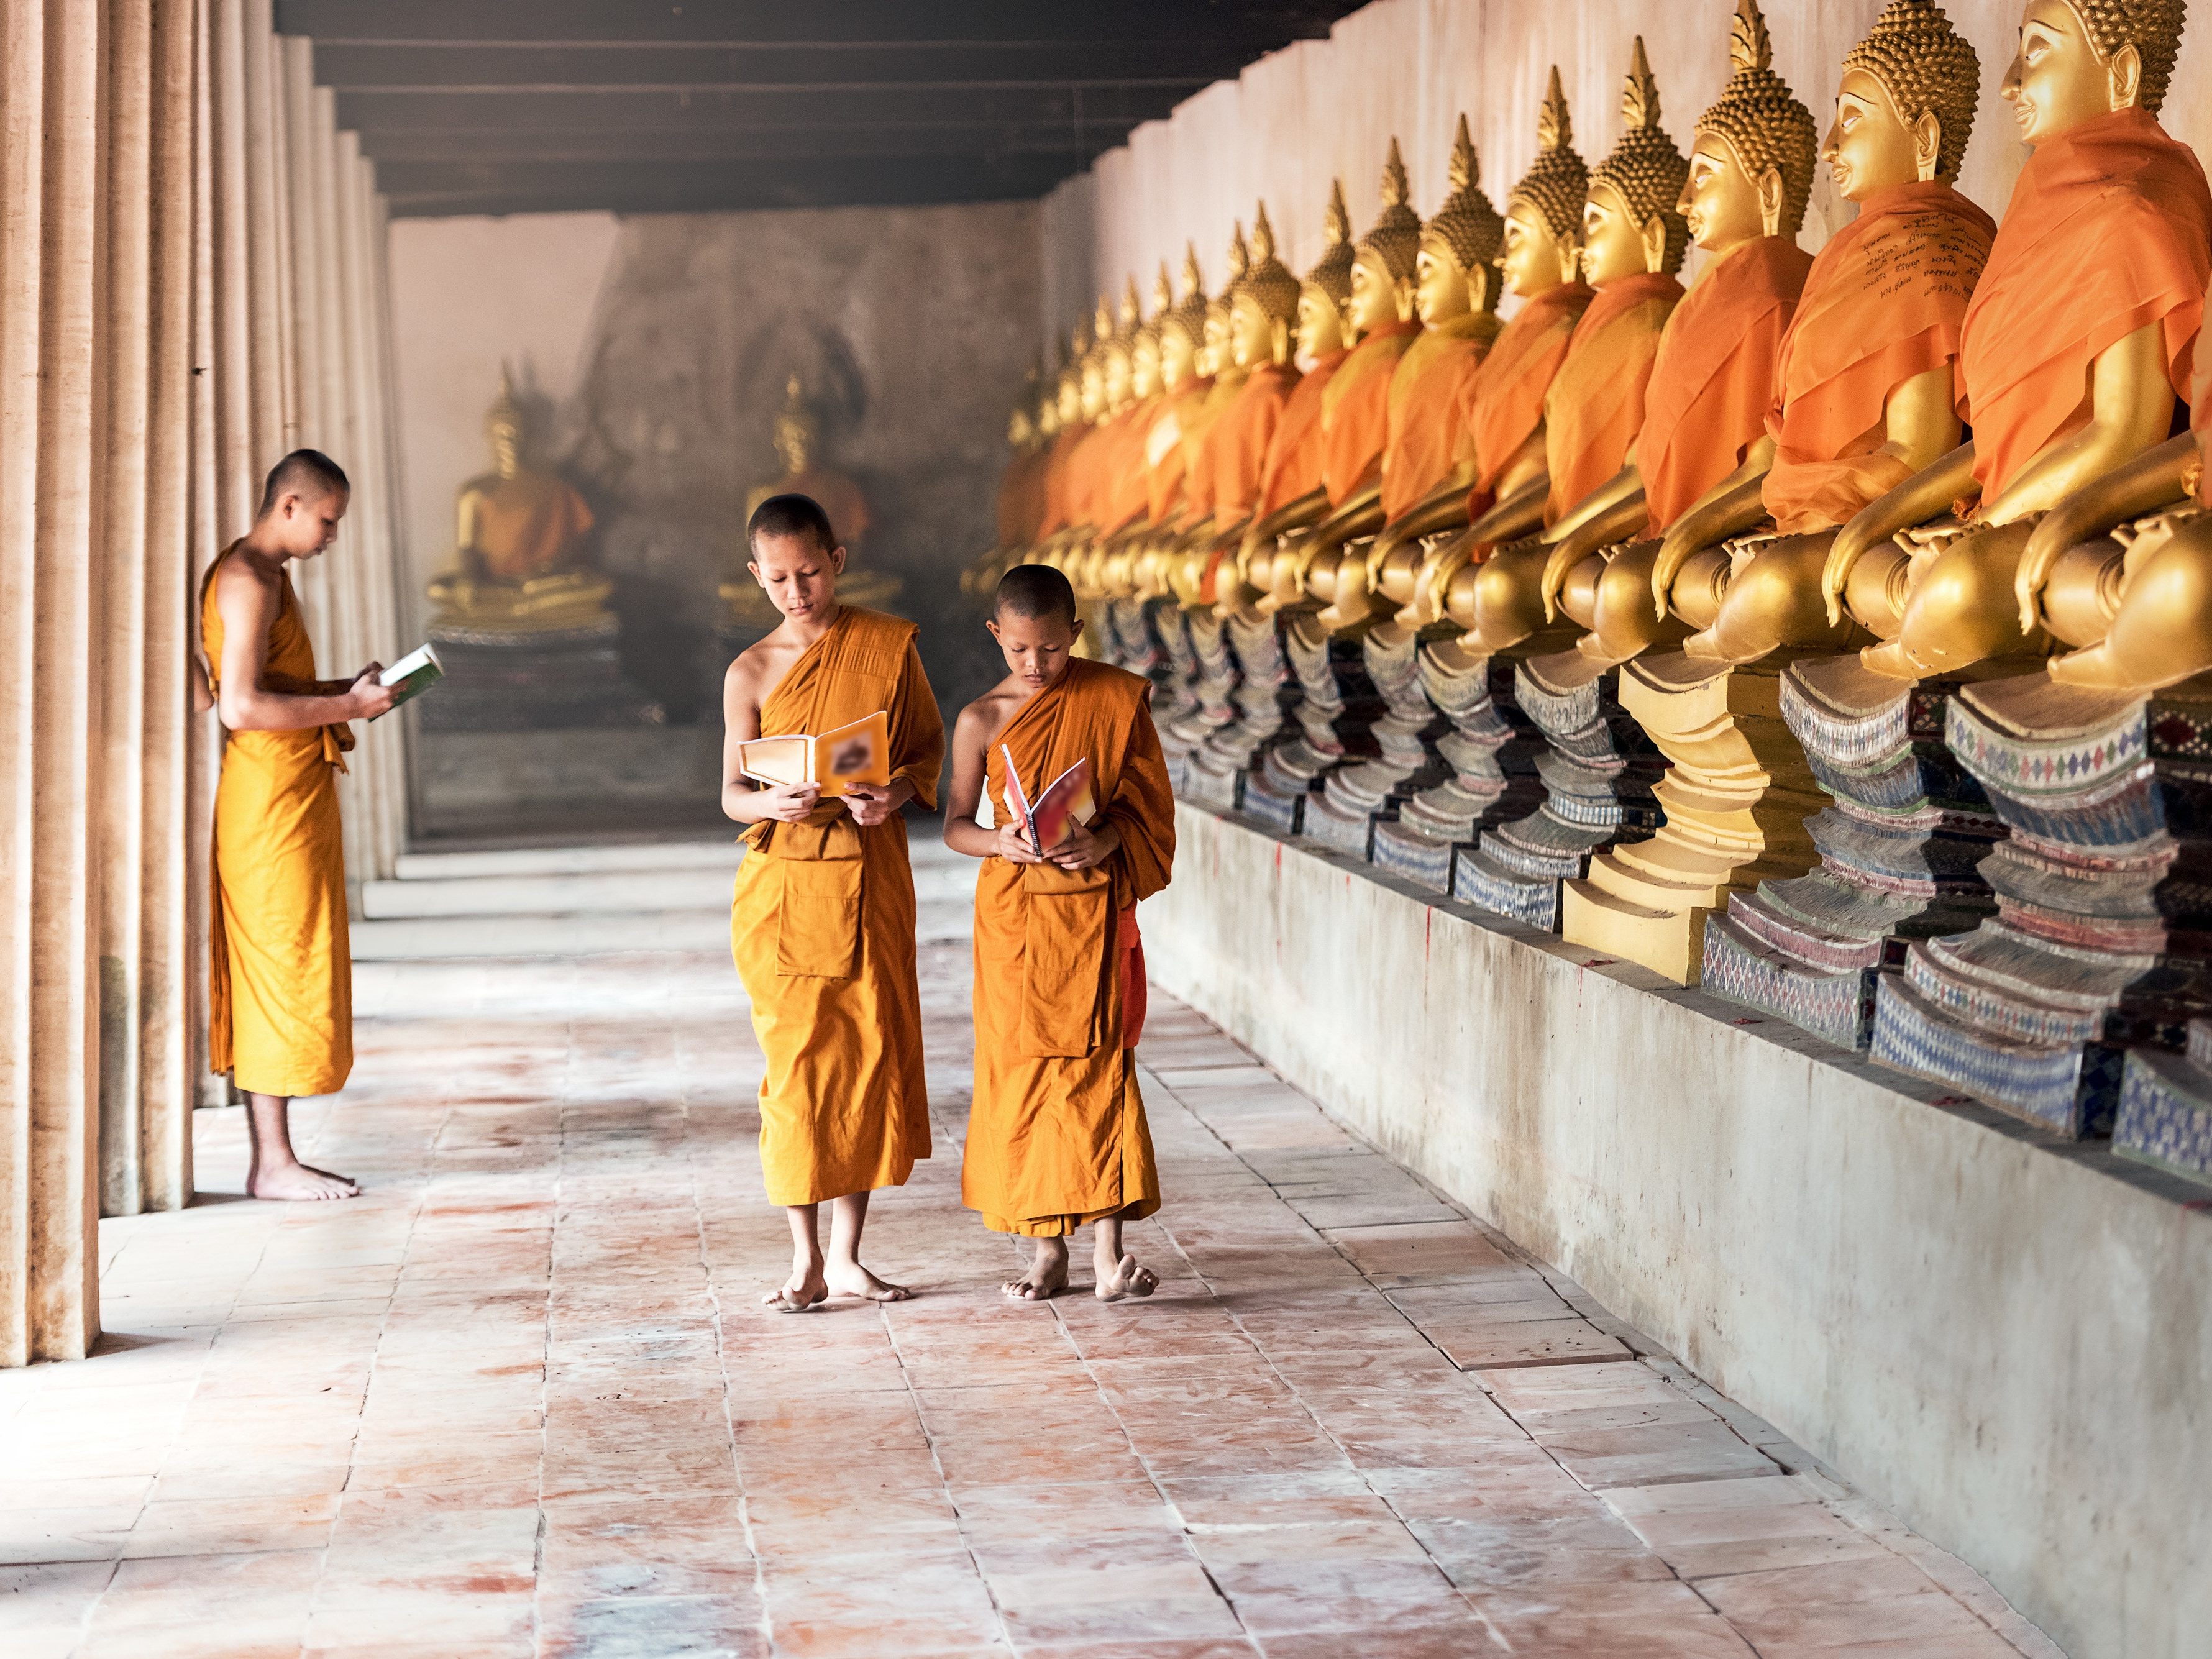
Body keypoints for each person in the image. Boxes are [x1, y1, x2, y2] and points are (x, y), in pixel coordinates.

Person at [723, 492, 944, 1311]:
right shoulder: (748, 670)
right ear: (756, 576)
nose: (797, 591)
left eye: (810, 571)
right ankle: (803, 1258)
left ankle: (849, 1256)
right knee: (797, 1070)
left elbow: (924, 753)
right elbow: (731, 793)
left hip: (869, 872)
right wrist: (770, 803)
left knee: (861, 1059)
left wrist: (894, 792)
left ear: (838, 559)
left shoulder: (887, 646)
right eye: (778, 578)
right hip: (786, 889)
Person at [944, 564, 1177, 1300]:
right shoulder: (980, 719)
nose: (1035, 666)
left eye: (1049, 649)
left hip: (1090, 910)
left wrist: (1104, 842)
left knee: (1097, 1069)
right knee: (1021, 1077)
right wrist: (1001, 841)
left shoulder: (1113, 699)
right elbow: (954, 826)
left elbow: (1148, 812)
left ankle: (1109, 1254)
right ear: (996, 636)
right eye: (1019, 651)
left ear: (1074, 633)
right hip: (1015, 918)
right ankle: (1046, 1251)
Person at [202, 449, 396, 1200]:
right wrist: (347, 709)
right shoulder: (248, 579)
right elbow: (242, 707)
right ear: (289, 505)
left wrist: (343, 689)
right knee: (277, 963)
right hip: (265, 799)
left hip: (287, 790)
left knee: (293, 956)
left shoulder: (268, 574)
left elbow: (271, 687)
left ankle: (276, 1156)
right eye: (326, 520)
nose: (330, 536)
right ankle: (272, 1161)